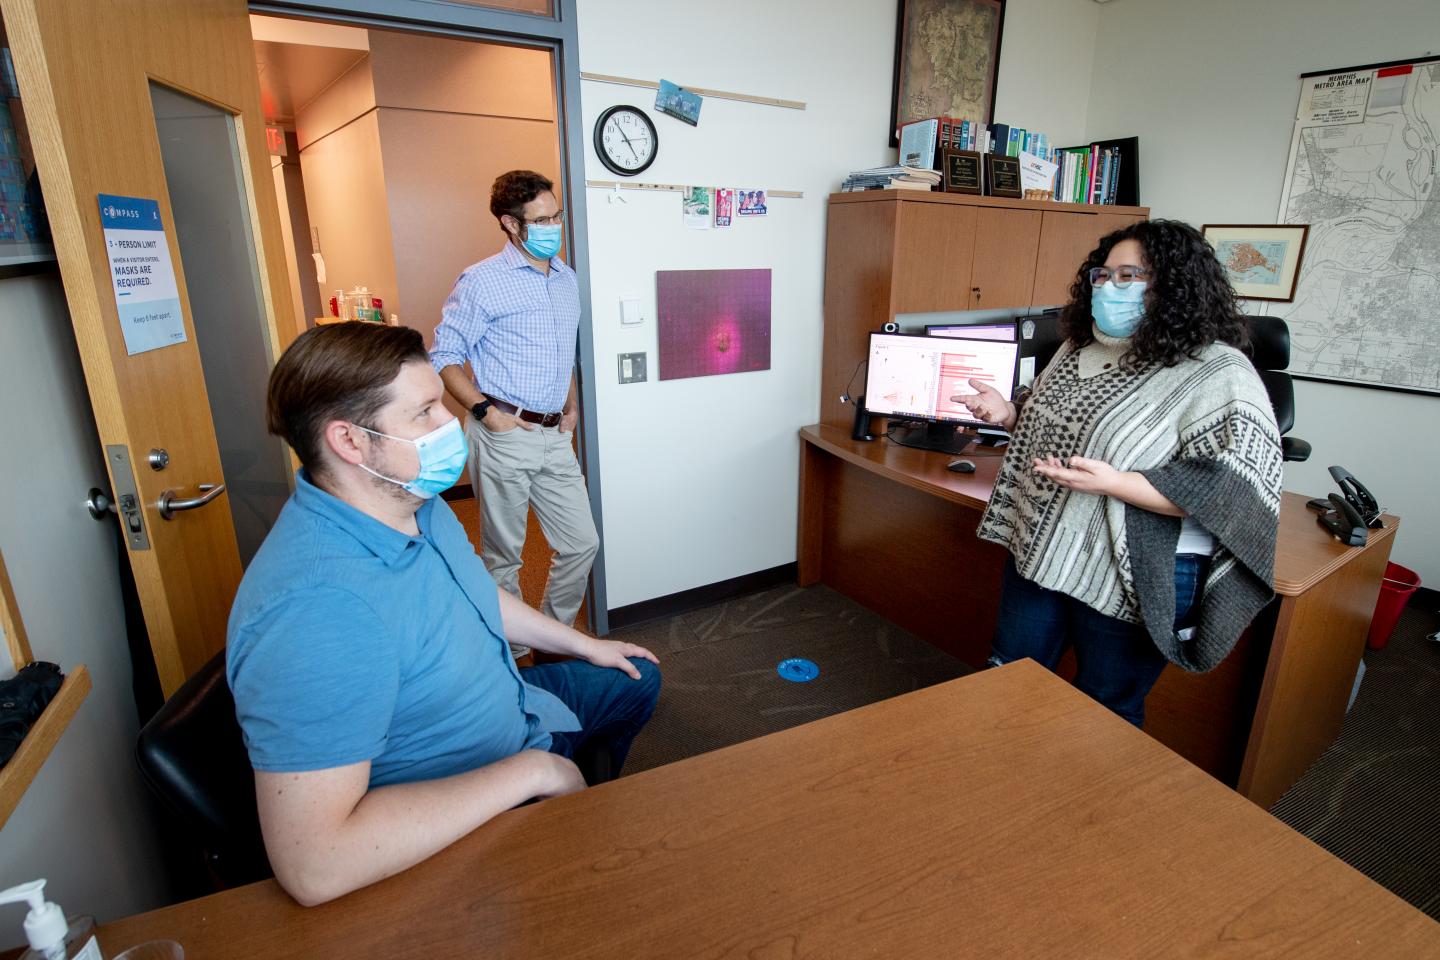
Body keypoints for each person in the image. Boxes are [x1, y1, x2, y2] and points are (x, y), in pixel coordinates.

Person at [227, 322, 660, 906]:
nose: (450, 424)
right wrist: (532, 772)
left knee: (636, 678)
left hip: (515, 708)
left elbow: (477, 593)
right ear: (350, 442)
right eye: (425, 412)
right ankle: (560, 823)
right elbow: (314, 866)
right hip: (459, 788)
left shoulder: (410, 499)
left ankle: (574, 806)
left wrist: (586, 645)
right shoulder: (316, 611)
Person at [953, 219, 1282, 727]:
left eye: (1130, 276)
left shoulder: (1218, 372)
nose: (1110, 288)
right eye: (1103, 276)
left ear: (1175, 284)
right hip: (1043, 547)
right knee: (1005, 679)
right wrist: (1010, 414)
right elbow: (1057, 429)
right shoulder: (1078, 348)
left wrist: (1114, 483)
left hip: (1132, 568)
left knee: (1103, 710)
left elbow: (1230, 491)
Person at [431, 170, 596, 656]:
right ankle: (514, 652)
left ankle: (550, 636)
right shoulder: (482, 281)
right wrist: (486, 412)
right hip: (503, 430)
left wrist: (571, 403)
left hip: (554, 435)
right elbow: (444, 355)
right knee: (503, 557)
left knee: (582, 543)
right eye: (540, 220)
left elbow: (564, 350)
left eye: (556, 215)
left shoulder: (565, 279)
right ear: (510, 223)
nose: (553, 226)